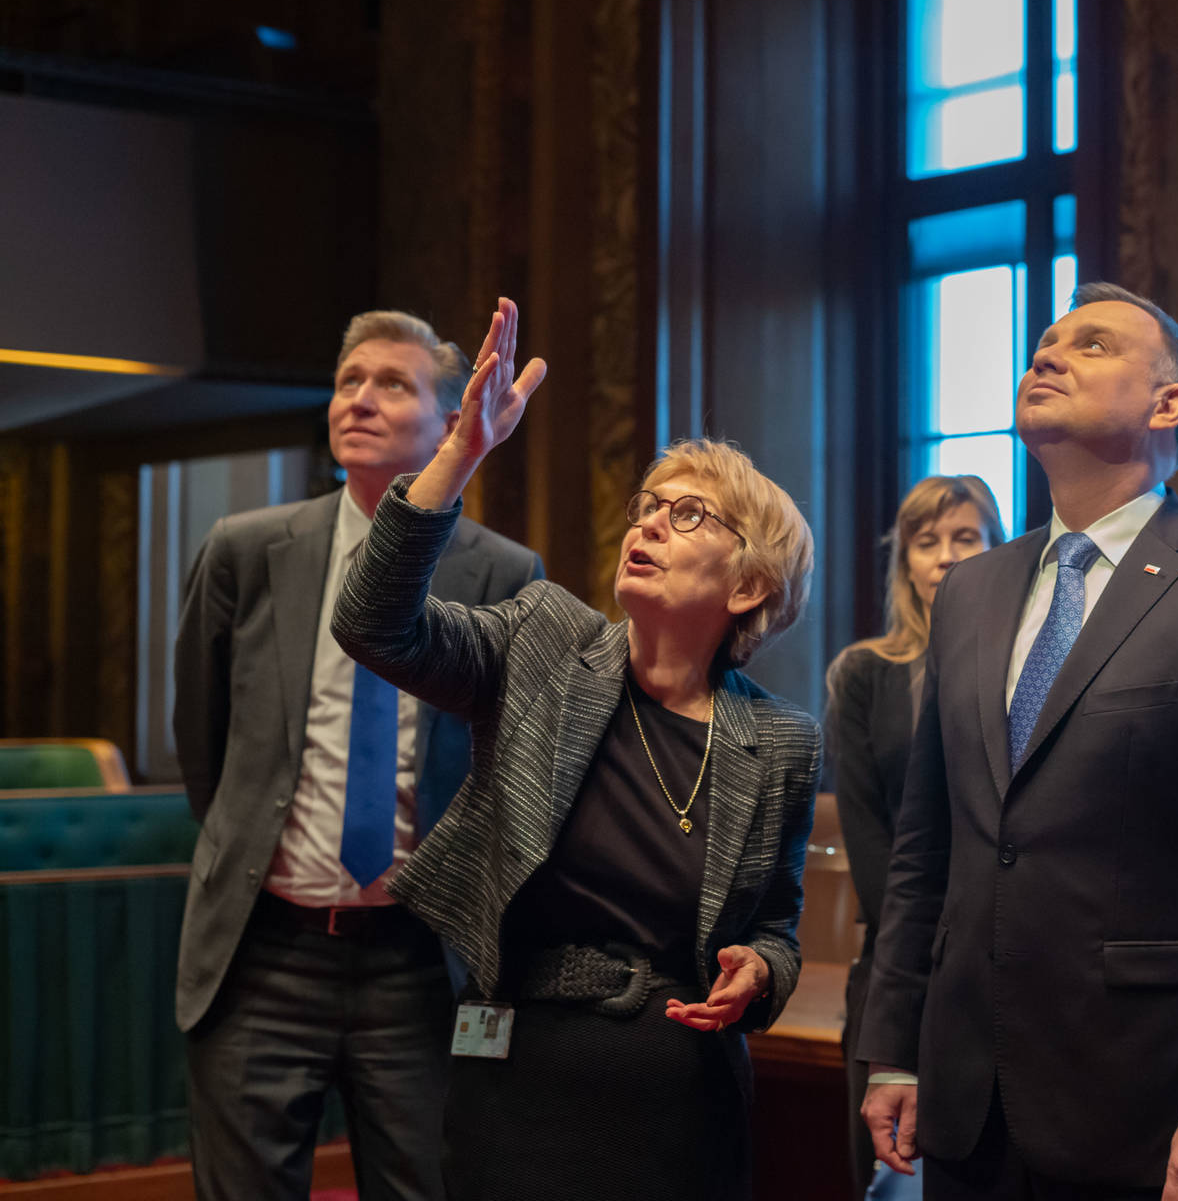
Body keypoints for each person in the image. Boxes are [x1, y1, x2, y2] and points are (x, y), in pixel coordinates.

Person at [330, 297, 820, 1200]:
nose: (647, 526)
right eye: (647, 508)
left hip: (684, 1099)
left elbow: (775, 927)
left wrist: (762, 970)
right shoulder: (544, 640)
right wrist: (460, 452)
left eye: (687, 516)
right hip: (521, 1080)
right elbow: (371, 624)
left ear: (750, 583)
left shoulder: (782, 741)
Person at [858, 282, 1178, 1200]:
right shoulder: (972, 591)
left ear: (1168, 404)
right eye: (1044, 344)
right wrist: (893, 1052)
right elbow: (928, 854)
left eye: (1092, 344)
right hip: (962, 1108)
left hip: (1143, 1110)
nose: (1048, 355)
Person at [173, 310, 544, 1201]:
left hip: (418, 964)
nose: (361, 400)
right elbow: (204, 740)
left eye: (394, 384)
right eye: (350, 380)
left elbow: (509, 778)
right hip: (265, 954)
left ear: (455, 421)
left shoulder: (504, 573)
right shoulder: (247, 550)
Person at [828, 475, 1006, 1197]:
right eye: (925, 543)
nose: (943, 557)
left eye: (965, 538)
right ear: (904, 563)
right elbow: (873, 847)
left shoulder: (1027, 672)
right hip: (898, 969)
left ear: (998, 549)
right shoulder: (865, 674)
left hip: (1003, 969)